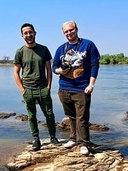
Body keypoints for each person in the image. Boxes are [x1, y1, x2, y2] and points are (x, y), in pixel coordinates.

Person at [52, 21, 100, 155]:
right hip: (64, 88)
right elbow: (54, 67)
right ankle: (73, 138)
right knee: (71, 116)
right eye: (66, 32)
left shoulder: (88, 45)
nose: (69, 33)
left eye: (71, 30)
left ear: (76, 29)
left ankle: (83, 143)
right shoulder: (61, 49)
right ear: (63, 33)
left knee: (82, 117)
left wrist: (91, 84)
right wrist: (60, 71)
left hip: (82, 88)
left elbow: (95, 65)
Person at [14, 23, 60, 151]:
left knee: (49, 114)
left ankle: (53, 137)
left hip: (43, 88)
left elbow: (49, 70)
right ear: (22, 36)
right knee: (32, 116)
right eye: (26, 33)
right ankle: (36, 139)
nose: (28, 35)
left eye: (30, 32)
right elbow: (16, 72)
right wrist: (23, 90)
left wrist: (49, 86)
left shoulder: (43, 49)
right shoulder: (20, 52)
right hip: (28, 89)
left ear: (35, 33)